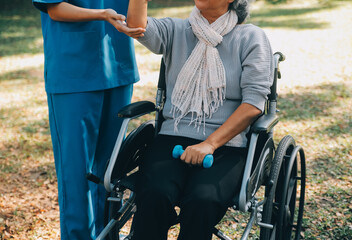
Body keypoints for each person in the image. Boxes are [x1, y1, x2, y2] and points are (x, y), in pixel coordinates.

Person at [126, 0, 274, 239]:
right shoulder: (176, 30)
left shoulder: (251, 38)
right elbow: (136, 26)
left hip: (227, 144)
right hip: (172, 136)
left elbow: (253, 105)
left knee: (202, 200)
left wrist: (210, 144)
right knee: (154, 193)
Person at [32, 1, 145, 239]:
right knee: (76, 173)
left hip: (117, 65)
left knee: (110, 172)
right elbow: (54, 8)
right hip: (73, 71)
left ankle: (107, 234)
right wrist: (102, 15)